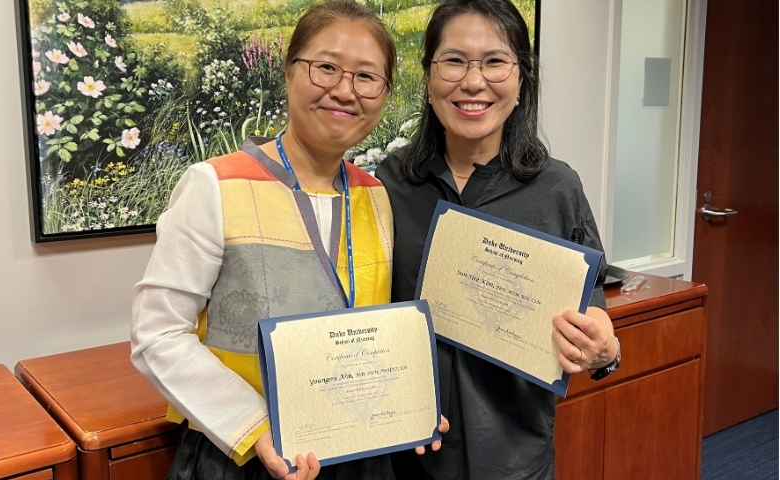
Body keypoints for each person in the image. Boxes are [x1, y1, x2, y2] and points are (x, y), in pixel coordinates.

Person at [131, 2, 447, 479]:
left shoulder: (376, 195)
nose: (344, 91)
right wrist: (256, 429)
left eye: (366, 77)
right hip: (244, 456)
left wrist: (409, 401)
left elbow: (373, 329)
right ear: (289, 71)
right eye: (325, 68)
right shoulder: (214, 185)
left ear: (383, 93)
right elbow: (158, 333)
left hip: (358, 453)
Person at [375, 0, 621, 479]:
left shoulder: (556, 188)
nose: (473, 82)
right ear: (427, 78)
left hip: (514, 456)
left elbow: (593, 314)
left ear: (521, 79)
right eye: (454, 61)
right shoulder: (388, 183)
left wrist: (606, 351)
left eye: (494, 61)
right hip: (408, 456)